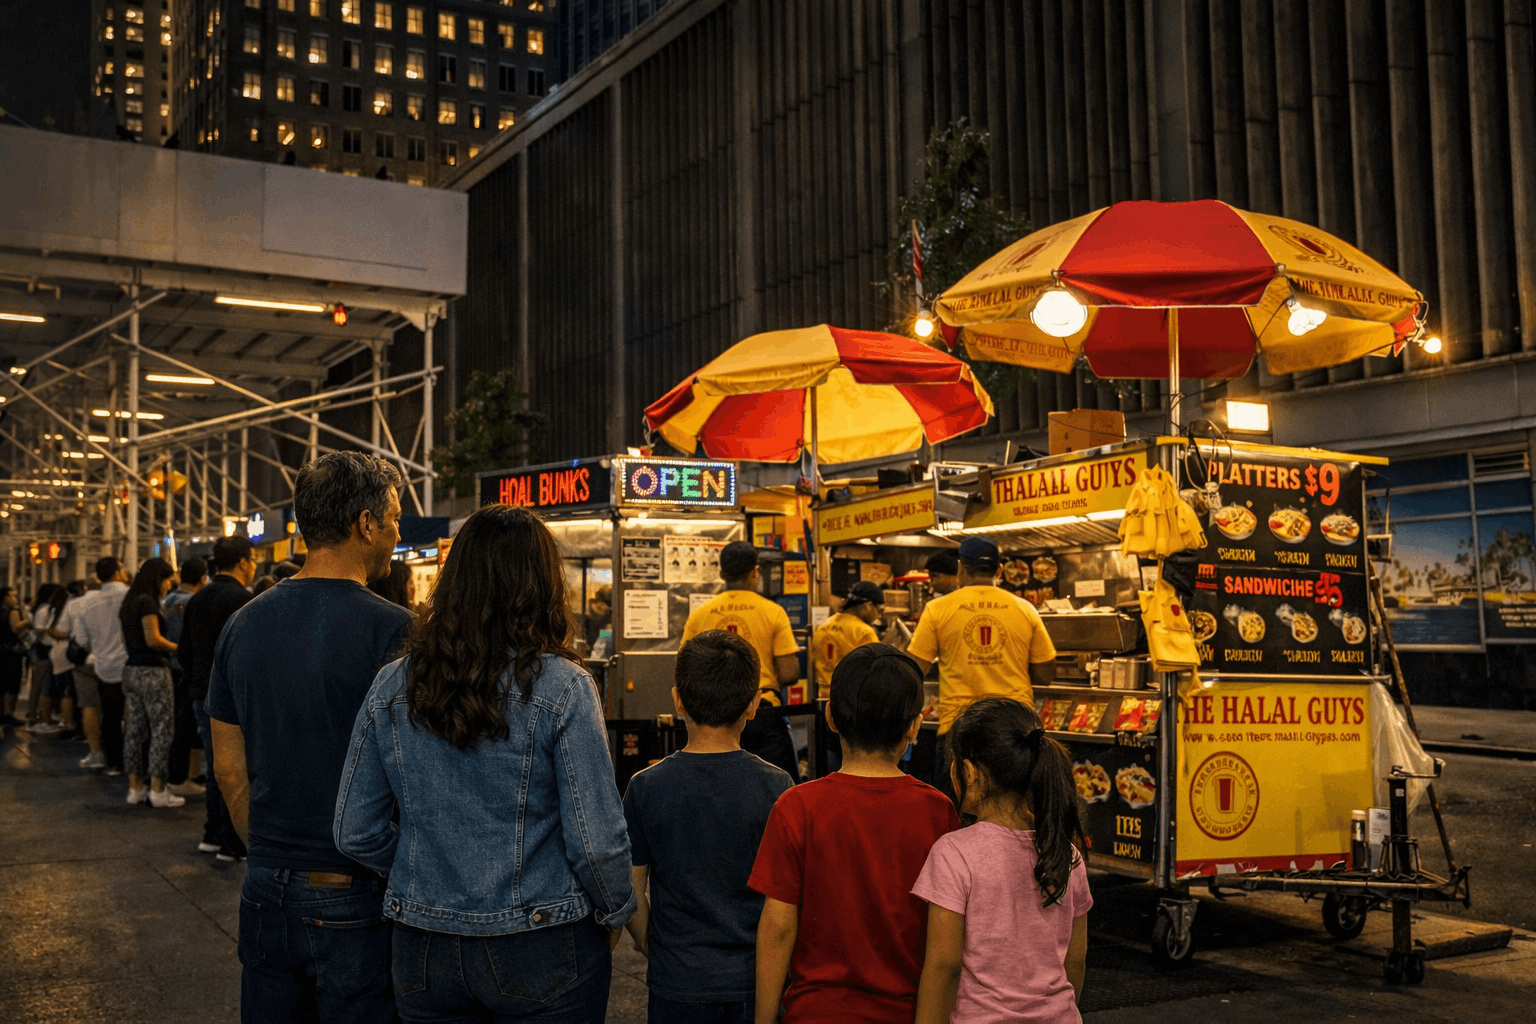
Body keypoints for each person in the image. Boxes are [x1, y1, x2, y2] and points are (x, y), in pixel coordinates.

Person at [335, 504, 634, 1023]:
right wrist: (614, 912)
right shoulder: (562, 686)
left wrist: (422, 867)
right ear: (542, 584)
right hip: (542, 941)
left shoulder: (392, 685)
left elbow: (354, 829)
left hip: (423, 947)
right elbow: (596, 839)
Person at [208, 452, 411, 1024]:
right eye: (394, 519)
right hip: (356, 890)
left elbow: (228, 766)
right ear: (366, 523)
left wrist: (271, 849)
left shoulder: (242, 624)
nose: (397, 534)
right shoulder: (395, 631)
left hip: (265, 884)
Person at [750, 644, 960, 1024]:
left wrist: (764, 1019)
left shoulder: (796, 806)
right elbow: (946, 947)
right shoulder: (939, 811)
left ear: (830, 717)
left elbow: (778, 928)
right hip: (909, 1011)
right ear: (915, 725)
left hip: (815, 1013)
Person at [623, 630, 793, 1024]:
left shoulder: (645, 786)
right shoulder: (778, 786)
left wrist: (656, 947)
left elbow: (629, 891)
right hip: (758, 983)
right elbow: (787, 901)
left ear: (678, 699)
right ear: (753, 705)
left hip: (677, 982)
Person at [913, 698, 1091, 1024]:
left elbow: (944, 966)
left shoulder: (953, 853)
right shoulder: (1067, 854)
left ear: (968, 773)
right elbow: (1075, 961)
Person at [907, 537, 1057, 798]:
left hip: (959, 729)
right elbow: (1045, 674)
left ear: (960, 569)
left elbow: (913, 670)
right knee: (1016, 812)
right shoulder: (1026, 609)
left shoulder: (937, 609)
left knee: (957, 812)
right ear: (999, 571)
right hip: (1016, 728)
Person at [681, 542, 801, 781]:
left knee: (717, 782)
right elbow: (789, 673)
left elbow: (684, 668)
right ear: (754, 573)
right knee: (772, 785)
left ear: (722, 573)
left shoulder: (700, 614)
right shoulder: (773, 612)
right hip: (761, 712)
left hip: (710, 716)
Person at [179, 536, 257, 862]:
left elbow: (184, 650)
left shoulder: (198, 598)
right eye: (252, 560)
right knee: (235, 769)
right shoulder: (244, 600)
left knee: (216, 768)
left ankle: (213, 834)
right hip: (233, 698)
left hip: (200, 693)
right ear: (242, 562)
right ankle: (231, 843)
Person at [119, 557, 184, 808]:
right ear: (158, 579)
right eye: (167, 581)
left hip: (132, 670)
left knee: (135, 730)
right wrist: (179, 648)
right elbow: (153, 639)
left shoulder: (129, 603)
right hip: (153, 671)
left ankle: (135, 787)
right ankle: (158, 788)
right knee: (162, 729)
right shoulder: (147, 603)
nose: (168, 586)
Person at [70, 558, 133, 775]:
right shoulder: (132, 596)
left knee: (110, 717)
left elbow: (81, 640)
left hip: (104, 667)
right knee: (136, 716)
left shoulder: (86, 604)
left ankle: (114, 763)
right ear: (118, 572)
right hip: (131, 664)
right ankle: (136, 765)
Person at [163, 556, 208, 794]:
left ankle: (181, 775)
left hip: (167, 668)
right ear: (203, 578)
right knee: (186, 726)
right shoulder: (196, 602)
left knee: (176, 725)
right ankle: (180, 779)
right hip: (186, 671)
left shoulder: (167, 599)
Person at [810, 581, 883, 701]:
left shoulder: (823, 625)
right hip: (850, 699)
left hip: (823, 697)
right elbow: (876, 673)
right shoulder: (863, 631)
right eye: (878, 609)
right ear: (867, 605)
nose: (878, 615)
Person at [24, 585, 70, 735]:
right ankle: (33, 717)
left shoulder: (49, 609)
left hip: (49, 649)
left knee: (48, 685)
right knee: (41, 685)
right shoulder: (45, 610)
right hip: (44, 650)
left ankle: (45, 715)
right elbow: (38, 629)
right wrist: (51, 628)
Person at [0, 586, 29, 728]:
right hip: (11, 652)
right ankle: (9, 713)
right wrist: (28, 621)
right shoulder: (12, 611)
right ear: (5, 597)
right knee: (12, 683)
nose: (15, 599)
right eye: (12, 596)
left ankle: (2, 714)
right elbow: (16, 628)